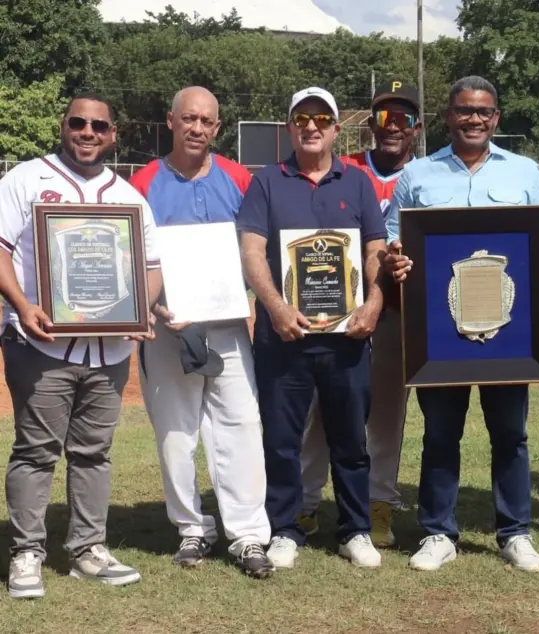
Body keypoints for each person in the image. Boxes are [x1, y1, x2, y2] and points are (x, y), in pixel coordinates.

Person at [384, 75, 539, 573]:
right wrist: (395, 260)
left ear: (496, 118)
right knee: (441, 433)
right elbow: (390, 237)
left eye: (483, 112)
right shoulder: (417, 175)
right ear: (448, 116)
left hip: (510, 331)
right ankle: (438, 533)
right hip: (439, 331)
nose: (474, 119)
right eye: (464, 110)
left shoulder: (525, 172)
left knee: (510, 432)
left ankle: (515, 532)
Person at [0, 93, 163, 599]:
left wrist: (141, 308)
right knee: (36, 450)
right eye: (78, 123)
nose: (88, 132)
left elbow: (152, 269)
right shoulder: (26, 179)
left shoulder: (129, 196)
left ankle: (87, 548)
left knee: (94, 452)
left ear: (113, 133)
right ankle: (27, 551)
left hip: (109, 352)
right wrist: (24, 306)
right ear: (64, 125)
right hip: (41, 343)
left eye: (99, 126)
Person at [237, 87, 387, 570]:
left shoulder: (358, 181)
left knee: (350, 438)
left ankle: (355, 529)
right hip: (285, 335)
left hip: (346, 337)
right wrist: (276, 308)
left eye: (322, 117)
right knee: (282, 438)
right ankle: (284, 528)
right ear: (289, 127)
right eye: (301, 117)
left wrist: (375, 303)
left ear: (337, 129)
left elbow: (375, 252)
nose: (311, 125)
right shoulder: (267, 181)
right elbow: (252, 250)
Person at [129, 86, 273, 578]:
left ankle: (249, 534)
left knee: (241, 425)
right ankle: (192, 527)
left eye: (206, 121)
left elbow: (256, 249)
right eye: (188, 118)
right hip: (169, 327)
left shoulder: (238, 177)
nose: (197, 128)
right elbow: (132, 257)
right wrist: (153, 305)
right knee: (175, 430)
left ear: (217, 126)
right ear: (170, 121)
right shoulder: (144, 181)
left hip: (228, 326)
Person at [299, 80, 421, 547]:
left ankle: (379, 503)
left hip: (396, 312)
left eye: (403, 118)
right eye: (384, 117)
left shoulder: (424, 176)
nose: (393, 127)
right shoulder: (343, 170)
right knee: (321, 416)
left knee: (387, 416)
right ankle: (306, 503)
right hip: (337, 313)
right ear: (370, 124)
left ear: (416, 127)